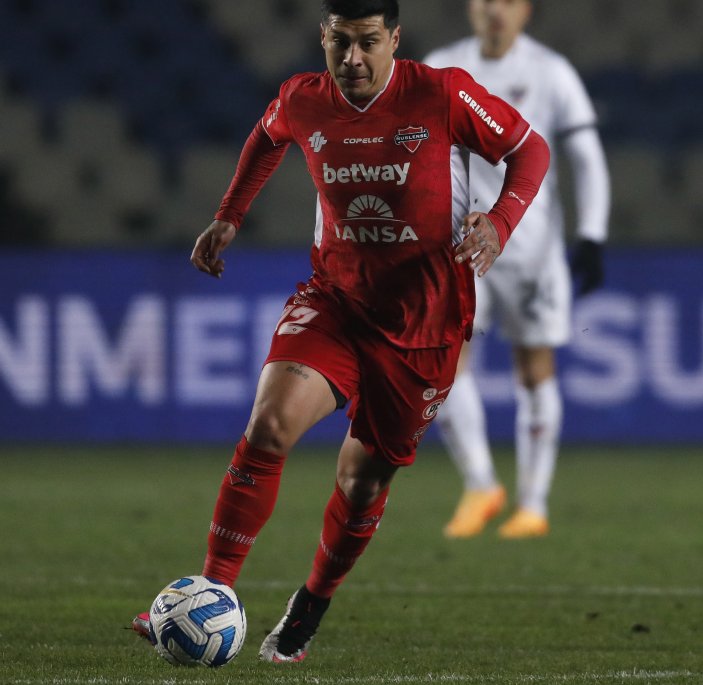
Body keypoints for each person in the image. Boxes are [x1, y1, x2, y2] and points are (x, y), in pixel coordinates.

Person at [130, 0, 549, 663]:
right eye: (339, 44)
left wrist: (498, 222)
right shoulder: (303, 99)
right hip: (337, 300)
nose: (352, 59)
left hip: (424, 323)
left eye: (367, 44)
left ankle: (313, 600)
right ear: (323, 39)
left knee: (362, 482)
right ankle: (210, 589)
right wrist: (229, 214)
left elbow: (530, 149)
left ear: (394, 41)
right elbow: (267, 136)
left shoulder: (442, 94)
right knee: (268, 425)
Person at [422, 0, 610, 539]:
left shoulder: (551, 72)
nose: (495, 10)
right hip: (458, 248)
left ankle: (532, 503)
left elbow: (586, 157)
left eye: (507, 0)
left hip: (530, 250)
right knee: (447, 364)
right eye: (484, 0)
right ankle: (481, 484)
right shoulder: (441, 67)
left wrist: (592, 234)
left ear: (526, 9)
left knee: (535, 367)